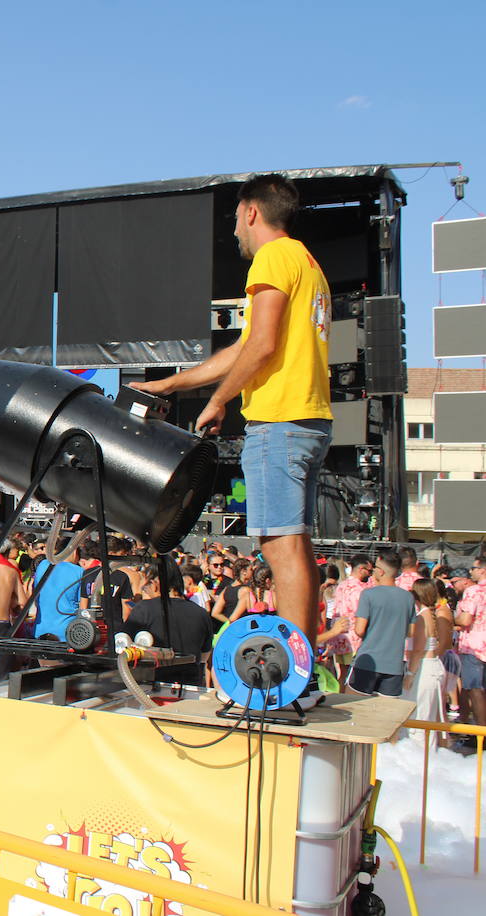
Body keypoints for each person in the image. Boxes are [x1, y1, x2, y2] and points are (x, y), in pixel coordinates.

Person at [131, 175, 332, 645]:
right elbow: (244, 347)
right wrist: (171, 383)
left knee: (280, 548)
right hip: (307, 419)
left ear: (252, 212)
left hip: (279, 422)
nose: (236, 230)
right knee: (295, 547)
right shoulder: (305, 261)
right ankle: (301, 658)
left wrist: (219, 399)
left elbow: (260, 345)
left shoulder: (272, 257)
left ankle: (293, 663)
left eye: (237, 219)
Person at [122, 561, 213, 686]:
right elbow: (203, 657)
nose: (144, 590)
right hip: (190, 688)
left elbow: (123, 646)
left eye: (145, 586)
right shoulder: (201, 613)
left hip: (151, 688)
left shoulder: (144, 610)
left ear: (155, 584)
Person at [348, 551, 417, 698]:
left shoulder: (368, 594)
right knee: (386, 710)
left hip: (368, 661)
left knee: (355, 705)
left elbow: (359, 630)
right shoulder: (408, 597)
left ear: (381, 571)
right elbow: (411, 632)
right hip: (394, 665)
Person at [406, 579, 453, 726]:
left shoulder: (422, 616)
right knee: (429, 716)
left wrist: (409, 675)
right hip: (431, 666)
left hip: (424, 669)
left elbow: (418, 650)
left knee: (419, 716)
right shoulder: (427, 614)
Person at [453, 557, 486, 734]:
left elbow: (465, 620)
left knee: (475, 689)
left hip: (474, 645)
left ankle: (481, 733)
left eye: (473, 568)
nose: (471, 571)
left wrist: (452, 618)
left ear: (482, 570)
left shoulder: (474, 591)